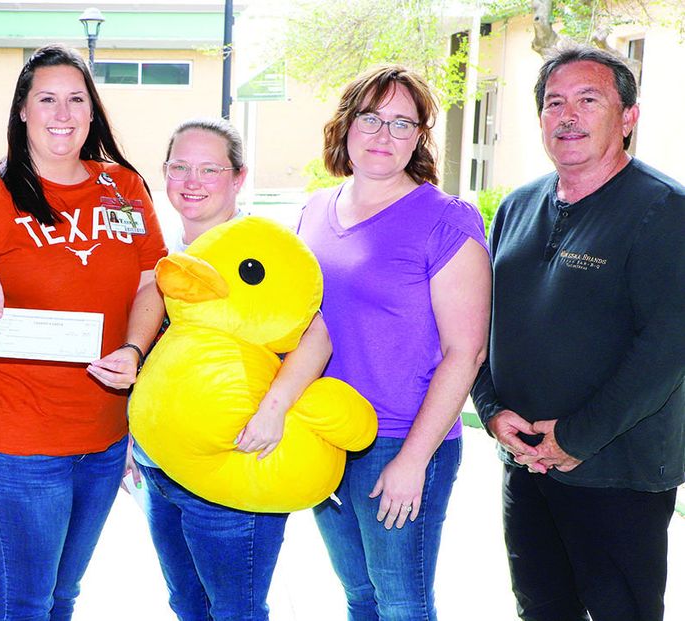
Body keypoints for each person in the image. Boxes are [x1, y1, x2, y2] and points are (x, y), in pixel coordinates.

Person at [0, 44, 166, 620]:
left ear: (92, 111)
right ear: (23, 112)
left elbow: (151, 283)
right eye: (47, 99)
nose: (63, 113)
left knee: (62, 596)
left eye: (76, 99)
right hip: (12, 446)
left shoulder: (123, 188)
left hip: (103, 440)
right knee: (24, 603)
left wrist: (133, 349)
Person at [471, 44, 685, 621]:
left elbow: (666, 350)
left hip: (617, 472)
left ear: (629, 118)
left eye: (589, 100)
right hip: (526, 463)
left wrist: (576, 438)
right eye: (554, 102)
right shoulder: (517, 206)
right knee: (540, 610)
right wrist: (490, 408)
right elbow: (486, 323)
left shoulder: (667, 211)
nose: (568, 115)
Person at [297, 65, 490, 620]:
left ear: (420, 138)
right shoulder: (313, 210)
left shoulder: (446, 220)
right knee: (360, 598)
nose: (384, 135)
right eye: (372, 118)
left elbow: (466, 352)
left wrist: (413, 459)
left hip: (402, 439)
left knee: (402, 605)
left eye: (403, 124)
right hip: (329, 436)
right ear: (346, 125)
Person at [134, 118, 331, 620]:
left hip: (237, 463)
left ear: (239, 178)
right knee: (187, 604)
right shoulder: (166, 254)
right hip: (163, 472)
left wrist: (273, 409)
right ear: (164, 173)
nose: (192, 181)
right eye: (180, 167)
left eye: (209, 169)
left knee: (236, 612)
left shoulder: (259, 250)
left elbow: (318, 335)